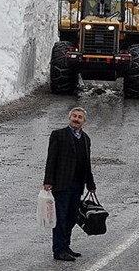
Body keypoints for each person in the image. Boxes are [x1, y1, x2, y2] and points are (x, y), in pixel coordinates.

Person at [43, 107, 97, 262]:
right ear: (69, 118)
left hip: (77, 185)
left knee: (72, 217)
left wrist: (90, 184)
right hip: (61, 184)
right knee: (60, 218)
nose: (76, 119)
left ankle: (66, 246)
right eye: (74, 116)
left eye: (80, 117)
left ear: (83, 122)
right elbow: (51, 159)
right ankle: (59, 250)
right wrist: (48, 181)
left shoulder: (86, 139)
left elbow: (87, 164)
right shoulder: (58, 135)